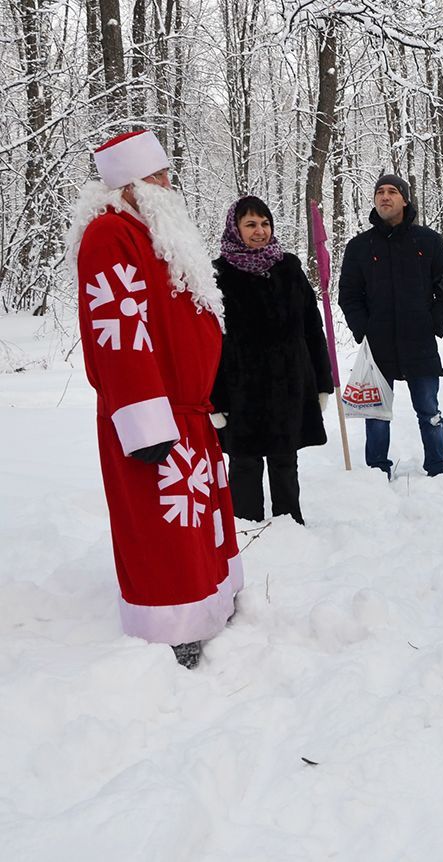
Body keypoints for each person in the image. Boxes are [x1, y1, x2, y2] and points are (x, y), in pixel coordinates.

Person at [68, 129, 242, 668]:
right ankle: (172, 621)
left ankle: (209, 600)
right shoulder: (109, 235)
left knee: (195, 524)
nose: (170, 184)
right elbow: (118, 333)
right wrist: (145, 420)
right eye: (160, 176)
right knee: (162, 528)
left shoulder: (153, 235)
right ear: (132, 184)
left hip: (187, 411)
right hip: (153, 416)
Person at [210, 197, 333, 525]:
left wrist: (322, 382)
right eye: (250, 224)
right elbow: (209, 343)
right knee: (244, 463)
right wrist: (215, 398)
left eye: (264, 224)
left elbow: (312, 327)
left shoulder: (288, 267)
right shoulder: (217, 275)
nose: (260, 231)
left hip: (288, 384)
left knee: (284, 460)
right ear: (235, 228)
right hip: (241, 390)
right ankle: (246, 530)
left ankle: (290, 526)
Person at [339, 174, 443, 479]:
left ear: (405, 199)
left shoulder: (427, 241)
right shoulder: (359, 246)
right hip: (378, 344)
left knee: (429, 410)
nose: (385, 197)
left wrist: (435, 321)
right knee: (376, 413)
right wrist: (363, 328)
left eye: (392, 191)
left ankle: (438, 467)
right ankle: (377, 470)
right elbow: (348, 295)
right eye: (380, 192)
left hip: (419, 341)